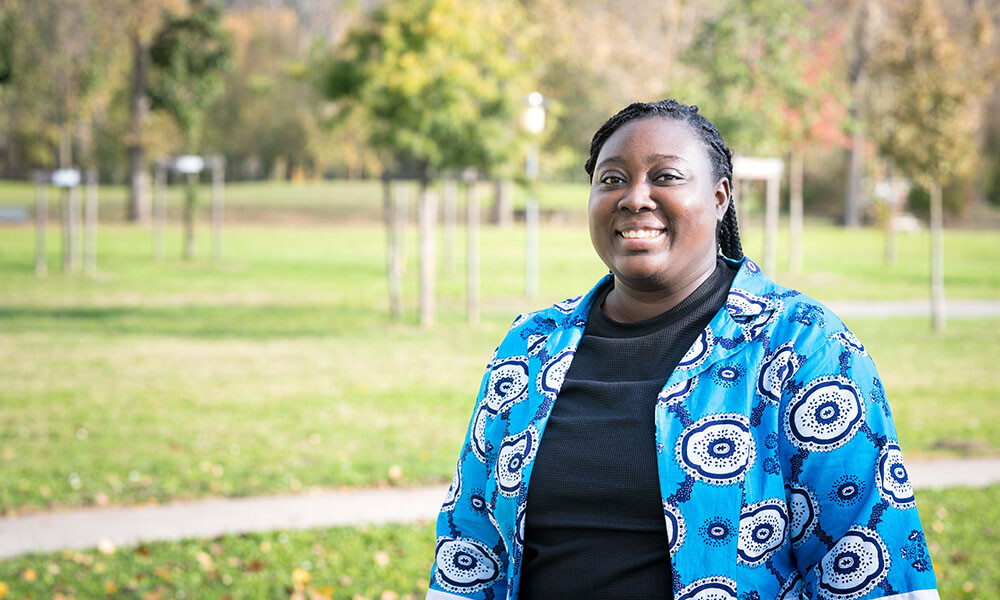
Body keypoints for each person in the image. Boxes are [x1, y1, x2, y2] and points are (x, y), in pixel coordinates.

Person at [426, 99, 938, 600]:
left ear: (720, 198)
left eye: (665, 176)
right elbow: (470, 548)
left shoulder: (803, 347)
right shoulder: (530, 347)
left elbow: (869, 562)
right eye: (611, 179)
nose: (634, 198)